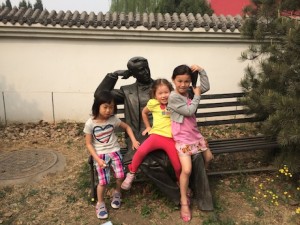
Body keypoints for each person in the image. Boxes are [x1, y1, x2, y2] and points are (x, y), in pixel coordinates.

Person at [94, 57, 213, 211]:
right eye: (139, 70)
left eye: (146, 68)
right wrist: (113, 75)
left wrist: (197, 72)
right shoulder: (127, 91)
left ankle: (203, 198)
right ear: (132, 73)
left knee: (195, 156)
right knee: (146, 161)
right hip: (142, 136)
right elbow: (99, 94)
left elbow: (191, 91)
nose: (145, 72)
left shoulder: (165, 88)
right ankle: (179, 195)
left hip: (173, 134)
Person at [167, 64, 214, 222]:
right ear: (173, 80)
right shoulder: (173, 97)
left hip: (195, 136)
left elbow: (205, 86)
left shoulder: (189, 92)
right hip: (183, 138)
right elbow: (189, 111)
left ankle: (197, 182)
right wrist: (197, 96)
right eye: (179, 81)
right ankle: (184, 200)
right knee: (186, 170)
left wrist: (201, 71)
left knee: (209, 158)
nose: (183, 84)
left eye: (187, 81)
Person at [83, 90, 140, 219]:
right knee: (103, 181)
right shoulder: (90, 123)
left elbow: (127, 127)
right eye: (105, 107)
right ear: (97, 106)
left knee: (120, 175)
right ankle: (100, 202)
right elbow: (88, 144)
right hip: (100, 155)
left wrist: (134, 140)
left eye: (111, 107)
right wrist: (97, 159)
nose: (108, 110)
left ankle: (117, 192)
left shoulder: (113, 119)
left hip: (114, 151)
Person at [121, 79, 181, 190]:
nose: (163, 96)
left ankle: (181, 183)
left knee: (177, 166)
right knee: (141, 151)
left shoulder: (174, 104)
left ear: (171, 92)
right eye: (160, 93)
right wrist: (148, 126)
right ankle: (131, 173)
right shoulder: (153, 103)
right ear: (154, 94)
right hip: (156, 136)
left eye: (166, 92)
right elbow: (144, 112)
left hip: (171, 139)